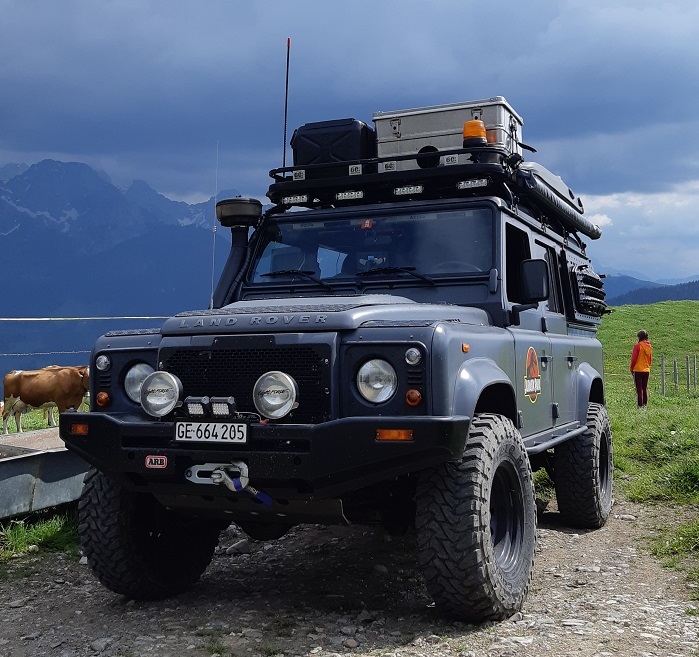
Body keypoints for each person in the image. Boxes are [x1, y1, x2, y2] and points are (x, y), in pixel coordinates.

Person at [630, 329, 653, 408]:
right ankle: (645, 405)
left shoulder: (638, 346)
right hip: (646, 370)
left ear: (639, 337)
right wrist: (647, 366)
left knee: (639, 389)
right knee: (644, 388)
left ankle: (640, 406)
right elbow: (650, 360)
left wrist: (631, 368)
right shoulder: (649, 346)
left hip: (638, 369)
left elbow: (634, 359)